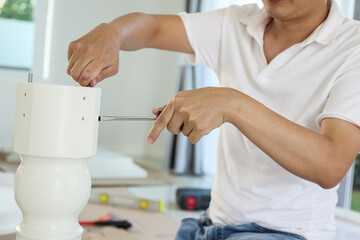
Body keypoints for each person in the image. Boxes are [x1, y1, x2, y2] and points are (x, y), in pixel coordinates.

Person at [67, 0, 360, 239]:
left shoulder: (353, 47)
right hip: (213, 224)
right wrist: (113, 32)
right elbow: (153, 28)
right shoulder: (237, 22)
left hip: (290, 233)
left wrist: (233, 104)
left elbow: (331, 163)